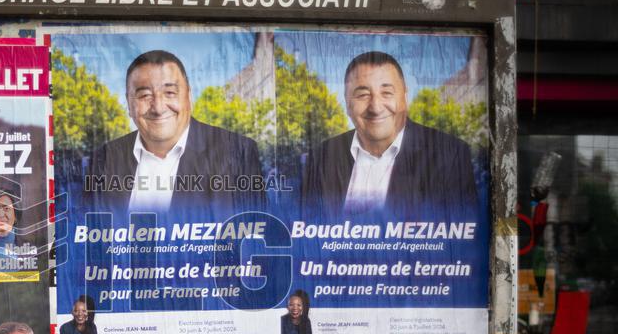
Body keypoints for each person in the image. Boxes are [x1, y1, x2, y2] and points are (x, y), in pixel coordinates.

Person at [86, 49, 264, 214]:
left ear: (189, 97)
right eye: (144, 95)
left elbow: (255, 236)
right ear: (129, 104)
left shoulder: (237, 152)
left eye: (170, 92)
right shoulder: (103, 159)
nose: (158, 107)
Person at [302, 51, 478, 218]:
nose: (376, 107)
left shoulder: (449, 154)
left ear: (405, 98)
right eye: (363, 94)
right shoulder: (321, 157)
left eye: (387, 93)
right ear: (348, 103)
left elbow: (460, 239)